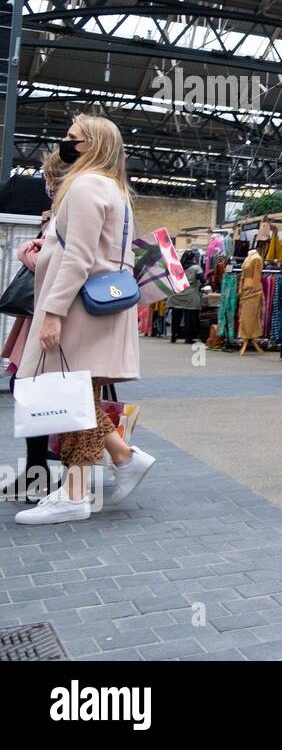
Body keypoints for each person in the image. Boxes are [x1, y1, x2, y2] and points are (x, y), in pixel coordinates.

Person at [14, 115, 156, 525]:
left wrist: (53, 313)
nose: (65, 143)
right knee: (77, 396)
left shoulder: (86, 186)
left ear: (91, 145)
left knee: (70, 394)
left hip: (79, 307)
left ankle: (88, 485)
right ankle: (110, 465)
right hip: (101, 306)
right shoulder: (113, 188)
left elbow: (78, 256)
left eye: (72, 138)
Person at [1, 150, 69, 504]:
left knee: (41, 390)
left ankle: (53, 472)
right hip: (40, 315)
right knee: (30, 388)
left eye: (49, 178)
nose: (46, 184)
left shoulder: (71, 211)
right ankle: (38, 470)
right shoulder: (60, 213)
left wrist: (27, 249)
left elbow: (55, 263)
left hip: (51, 315)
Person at [167, 250, 203, 345]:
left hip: (176, 295)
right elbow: (202, 279)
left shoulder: (177, 267)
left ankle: (174, 336)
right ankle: (188, 338)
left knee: (176, 318)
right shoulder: (196, 268)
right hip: (190, 295)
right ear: (193, 258)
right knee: (189, 318)